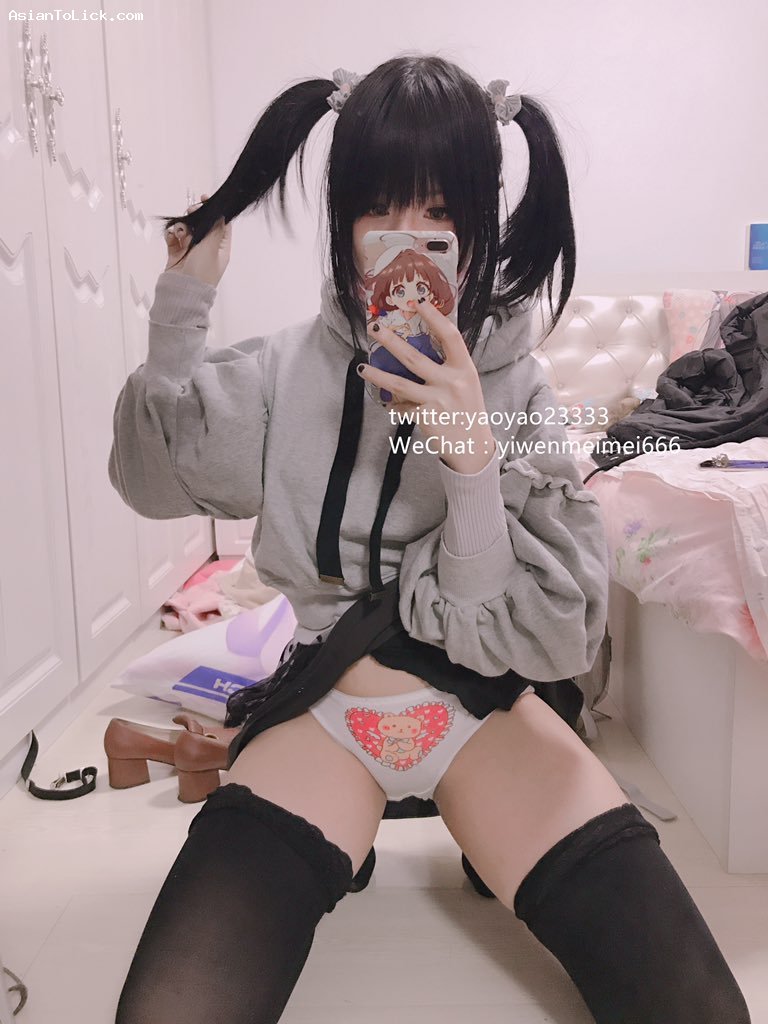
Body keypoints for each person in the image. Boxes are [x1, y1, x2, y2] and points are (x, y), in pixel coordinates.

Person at [108, 54, 751, 1024]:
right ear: (343, 225)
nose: (407, 245)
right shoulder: (282, 369)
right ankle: (348, 839)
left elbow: (559, 634)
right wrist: (181, 305)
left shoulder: (523, 392)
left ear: (477, 231)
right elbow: (154, 481)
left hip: (484, 713)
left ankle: (487, 846)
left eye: (439, 219)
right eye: (380, 213)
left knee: (696, 1009)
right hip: (324, 711)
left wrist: (472, 460)